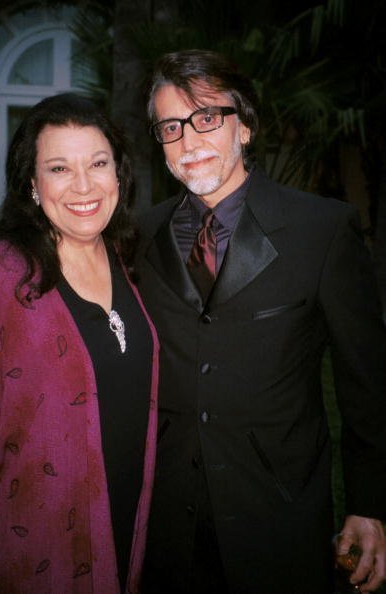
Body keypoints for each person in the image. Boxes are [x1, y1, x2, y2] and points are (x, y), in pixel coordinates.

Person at [137, 49, 386, 594]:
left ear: (244, 127)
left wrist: (370, 507)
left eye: (207, 118)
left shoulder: (322, 230)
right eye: (171, 126)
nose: (188, 140)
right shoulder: (136, 236)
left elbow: (366, 383)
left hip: (278, 516)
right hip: (163, 525)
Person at [0, 93, 159, 594]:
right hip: (40, 547)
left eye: (98, 163)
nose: (84, 186)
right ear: (33, 186)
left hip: (127, 528)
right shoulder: (1, 277)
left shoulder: (123, 258)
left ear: (119, 175)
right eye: (59, 168)